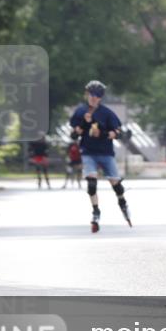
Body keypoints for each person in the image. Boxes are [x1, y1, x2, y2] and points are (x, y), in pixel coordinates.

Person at [69, 80, 131, 232]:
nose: (93, 97)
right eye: (90, 94)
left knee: (116, 185)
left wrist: (105, 133)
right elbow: (73, 135)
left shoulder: (107, 113)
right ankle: (96, 211)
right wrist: (82, 125)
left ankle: (123, 204)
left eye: (96, 95)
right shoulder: (80, 112)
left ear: (101, 97)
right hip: (88, 152)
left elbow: (118, 133)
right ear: (86, 94)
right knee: (91, 183)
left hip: (105, 152)